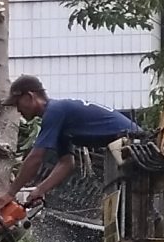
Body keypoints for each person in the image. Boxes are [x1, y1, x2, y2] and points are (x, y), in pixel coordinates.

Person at [8, 77, 142, 206]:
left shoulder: (54, 111)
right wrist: (40, 190)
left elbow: (36, 157)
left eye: (17, 103)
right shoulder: (59, 117)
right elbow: (66, 163)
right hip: (123, 148)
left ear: (29, 97)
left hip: (135, 144)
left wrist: (9, 194)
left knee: (133, 203)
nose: (18, 110)